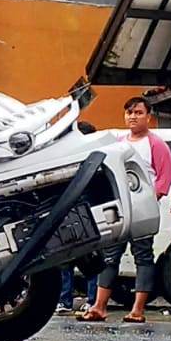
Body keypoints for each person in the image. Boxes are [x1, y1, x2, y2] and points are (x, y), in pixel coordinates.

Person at [79, 98, 171, 323]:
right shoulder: (119, 143)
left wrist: (150, 200)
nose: (133, 116)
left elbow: (164, 177)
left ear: (148, 116)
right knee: (110, 256)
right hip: (119, 208)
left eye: (138, 112)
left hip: (143, 210)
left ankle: (138, 310)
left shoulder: (156, 144)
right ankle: (99, 306)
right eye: (129, 112)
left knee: (143, 257)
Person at [59, 121, 102, 314]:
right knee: (66, 259)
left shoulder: (94, 160)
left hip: (85, 213)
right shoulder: (69, 158)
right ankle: (66, 300)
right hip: (73, 212)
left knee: (88, 257)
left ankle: (88, 301)